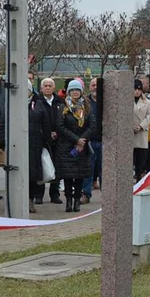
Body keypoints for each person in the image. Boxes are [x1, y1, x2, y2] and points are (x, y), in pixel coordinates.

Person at [55, 79, 93, 212]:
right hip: (66, 146)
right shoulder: (63, 107)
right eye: (72, 90)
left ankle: (77, 199)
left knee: (79, 176)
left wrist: (82, 140)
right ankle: (69, 200)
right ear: (69, 92)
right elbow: (60, 126)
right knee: (68, 176)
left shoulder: (86, 107)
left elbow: (91, 125)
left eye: (77, 90)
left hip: (82, 147)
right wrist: (76, 139)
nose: (75, 92)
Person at [31, 78, 63, 204]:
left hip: (58, 139)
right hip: (42, 139)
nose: (48, 88)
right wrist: (47, 133)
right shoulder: (37, 102)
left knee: (57, 167)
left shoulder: (60, 101)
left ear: (54, 88)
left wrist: (57, 133)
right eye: (45, 86)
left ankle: (54, 194)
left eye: (50, 86)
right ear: (41, 88)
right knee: (42, 166)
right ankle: (39, 195)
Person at [28, 88, 53, 212]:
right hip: (18, 146)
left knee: (33, 176)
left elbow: (46, 124)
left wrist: (48, 142)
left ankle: (30, 200)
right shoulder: (14, 104)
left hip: (35, 146)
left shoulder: (38, 105)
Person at [81, 77, 102, 203]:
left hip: (103, 140)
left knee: (104, 169)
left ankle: (108, 196)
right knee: (88, 169)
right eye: (93, 85)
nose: (95, 87)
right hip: (88, 141)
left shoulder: (106, 101)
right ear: (89, 87)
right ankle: (86, 194)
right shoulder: (85, 102)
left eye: (97, 85)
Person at [132, 80, 150, 180]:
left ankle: (139, 176)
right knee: (131, 157)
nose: (137, 92)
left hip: (141, 132)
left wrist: (141, 126)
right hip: (130, 132)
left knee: (141, 157)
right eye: (135, 89)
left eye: (139, 89)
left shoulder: (147, 101)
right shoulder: (126, 101)